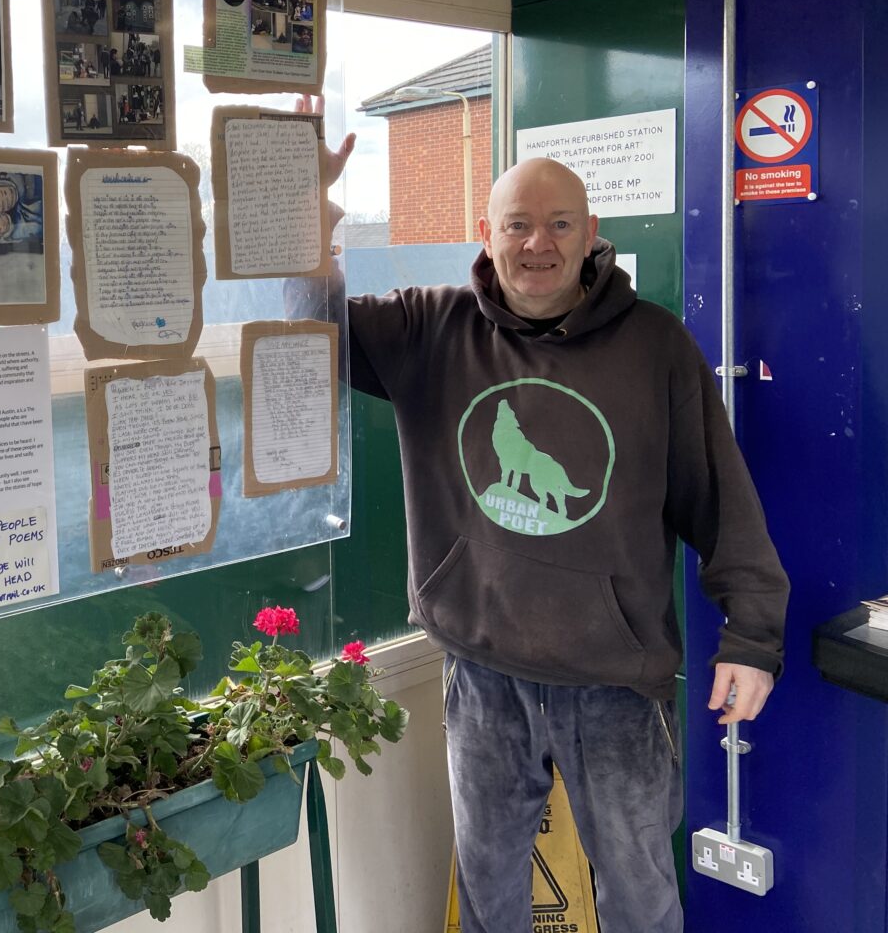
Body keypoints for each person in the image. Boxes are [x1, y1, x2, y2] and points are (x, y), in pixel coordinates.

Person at [297, 111, 788, 933]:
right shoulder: (430, 329)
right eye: (517, 224)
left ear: (591, 232)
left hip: (615, 686)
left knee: (640, 903)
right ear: (486, 232)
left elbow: (721, 498)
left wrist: (753, 638)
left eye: (560, 223)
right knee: (492, 901)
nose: (538, 244)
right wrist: (308, 220)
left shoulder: (658, 346)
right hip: (481, 676)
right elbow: (313, 330)